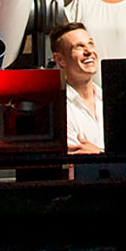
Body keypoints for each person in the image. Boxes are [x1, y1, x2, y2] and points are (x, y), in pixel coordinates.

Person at [54, 23, 104, 155]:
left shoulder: (108, 100)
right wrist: (107, 154)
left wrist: (99, 153)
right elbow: (77, 157)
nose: (89, 52)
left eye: (90, 44)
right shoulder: (59, 108)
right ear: (60, 59)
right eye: (79, 47)